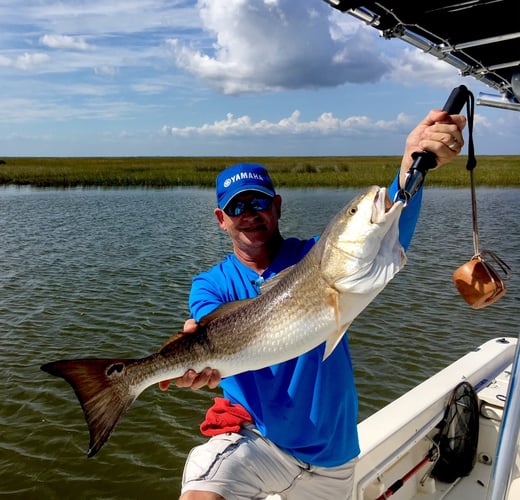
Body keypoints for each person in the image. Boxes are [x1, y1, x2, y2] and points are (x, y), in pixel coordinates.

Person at [160, 109, 466, 499]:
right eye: (237, 208)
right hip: (255, 442)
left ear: (278, 206)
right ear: (221, 219)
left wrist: (411, 166)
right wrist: (192, 360)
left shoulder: (316, 259)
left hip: (333, 455)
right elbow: (207, 331)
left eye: (259, 202)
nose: (250, 215)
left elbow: (390, 229)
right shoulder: (210, 285)